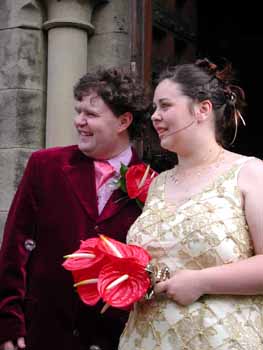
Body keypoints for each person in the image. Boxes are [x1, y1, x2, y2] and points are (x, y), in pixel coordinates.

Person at [118, 58, 263, 349]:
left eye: (166, 106)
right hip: (146, 338)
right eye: (155, 108)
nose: (154, 116)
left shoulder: (249, 172)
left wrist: (202, 281)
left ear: (202, 109)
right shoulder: (158, 184)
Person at [0, 67, 147, 350]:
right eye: (78, 111)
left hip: (113, 338)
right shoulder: (45, 165)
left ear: (123, 121)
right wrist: (8, 322)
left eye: (90, 115)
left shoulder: (155, 184)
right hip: (41, 331)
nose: (79, 121)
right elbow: (15, 246)